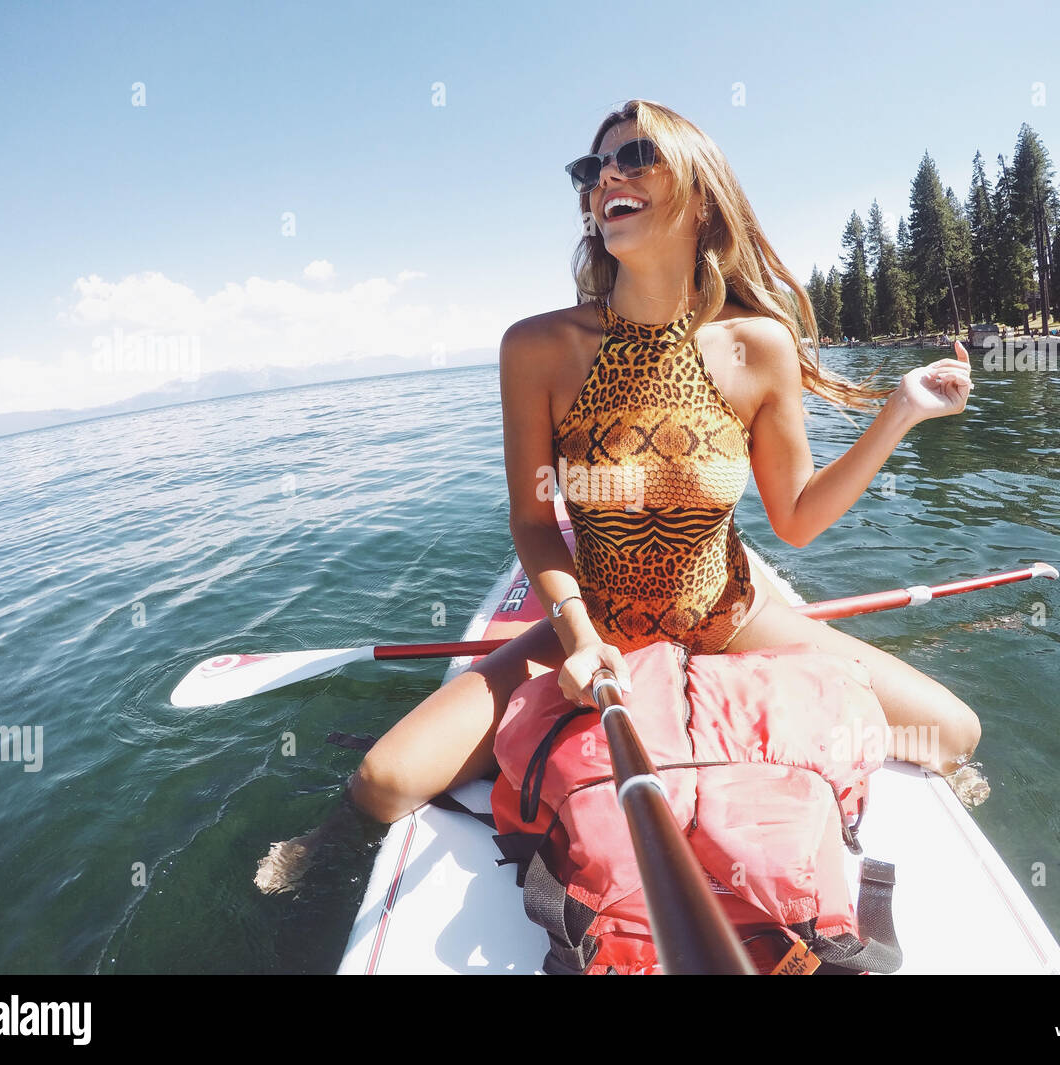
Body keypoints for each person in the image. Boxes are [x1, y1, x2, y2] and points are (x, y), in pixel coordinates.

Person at [255, 99, 981, 892]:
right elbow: (534, 522)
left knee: (952, 732)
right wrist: (576, 636)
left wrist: (901, 411)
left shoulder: (758, 346)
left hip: (728, 612)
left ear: (700, 196)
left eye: (635, 156)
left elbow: (797, 520)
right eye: (592, 167)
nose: (607, 176)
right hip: (597, 621)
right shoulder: (538, 348)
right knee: (382, 781)